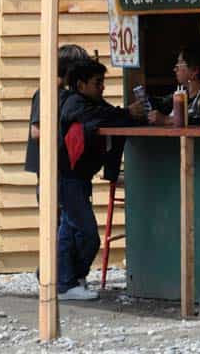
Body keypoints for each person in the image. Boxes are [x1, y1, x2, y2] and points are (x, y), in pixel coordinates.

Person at [55, 58, 142, 300]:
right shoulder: (74, 105)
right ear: (81, 85)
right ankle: (68, 280)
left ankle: (63, 280)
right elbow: (104, 117)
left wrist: (127, 114)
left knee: (69, 232)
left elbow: (109, 114)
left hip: (77, 177)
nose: (102, 87)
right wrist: (126, 113)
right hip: (68, 177)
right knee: (87, 233)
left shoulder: (89, 103)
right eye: (98, 83)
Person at [24, 44, 91, 176]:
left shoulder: (67, 94)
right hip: (52, 171)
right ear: (70, 70)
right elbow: (36, 132)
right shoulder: (47, 93)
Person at [147, 45, 200, 126]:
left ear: (194, 71)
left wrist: (167, 120)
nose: (175, 69)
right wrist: (144, 101)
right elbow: (161, 103)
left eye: (179, 64)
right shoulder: (182, 94)